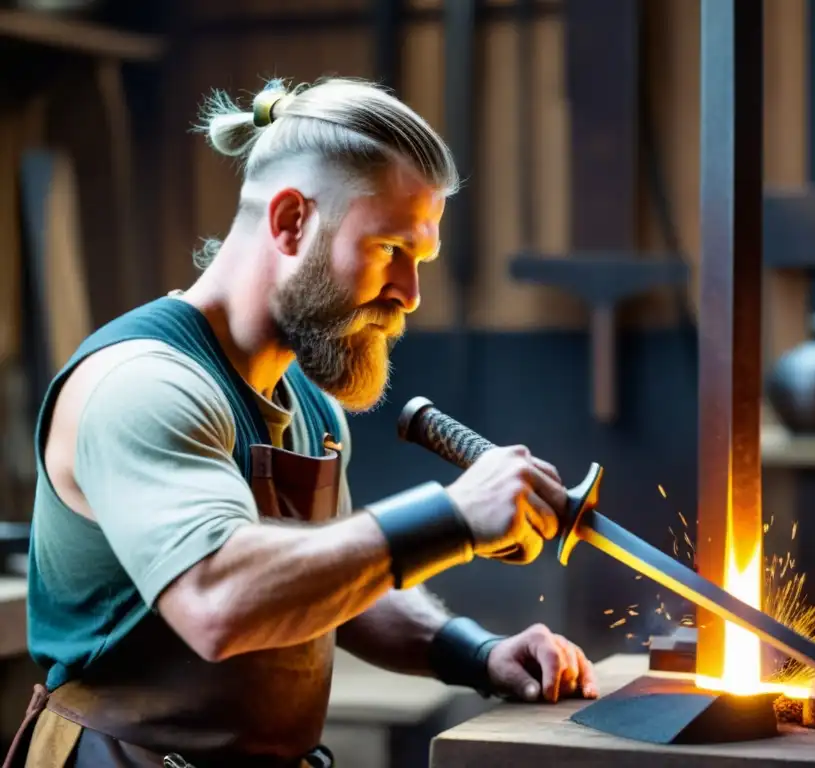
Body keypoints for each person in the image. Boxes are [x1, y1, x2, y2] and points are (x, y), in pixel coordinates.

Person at [3, 77, 598, 768]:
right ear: (291, 222)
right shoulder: (144, 385)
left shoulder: (310, 406)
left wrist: (477, 653)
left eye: (420, 260)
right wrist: (455, 517)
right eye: (390, 251)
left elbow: (326, 588)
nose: (409, 294)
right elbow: (218, 599)